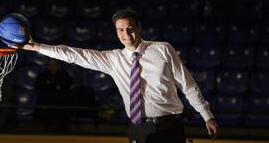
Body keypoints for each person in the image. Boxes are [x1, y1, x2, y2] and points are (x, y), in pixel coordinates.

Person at [12, 8, 218, 143]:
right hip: (138, 128)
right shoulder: (113, 59)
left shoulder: (163, 49)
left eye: (130, 28)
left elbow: (188, 85)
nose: (126, 34)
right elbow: (74, 55)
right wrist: (37, 47)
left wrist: (206, 116)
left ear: (139, 28)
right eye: (120, 30)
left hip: (169, 125)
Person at [35, 59, 73, 130]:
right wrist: (55, 86)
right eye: (50, 65)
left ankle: (62, 127)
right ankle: (45, 126)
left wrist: (53, 86)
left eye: (54, 65)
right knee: (44, 102)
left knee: (64, 103)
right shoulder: (42, 76)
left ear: (58, 66)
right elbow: (39, 87)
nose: (52, 67)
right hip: (46, 99)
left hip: (60, 99)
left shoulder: (64, 75)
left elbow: (67, 85)